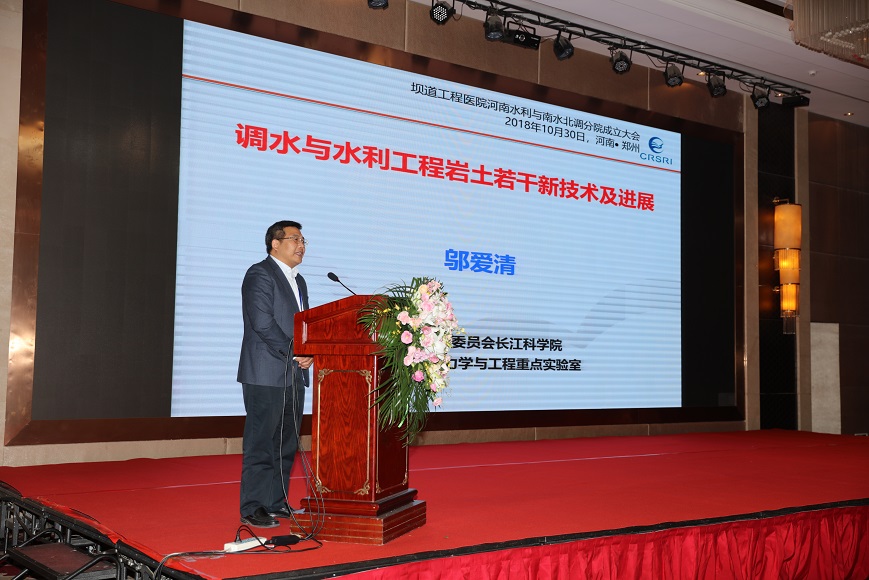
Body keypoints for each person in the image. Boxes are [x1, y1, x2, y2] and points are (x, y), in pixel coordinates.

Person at [237, 220, 314, 528]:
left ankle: (275, 501)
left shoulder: (300, 281)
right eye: (295, 239)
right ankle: (253, 505)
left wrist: (310, 351)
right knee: (261, 440)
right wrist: (296, 351)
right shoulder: (259, 274)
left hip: (293, 372)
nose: (301, 245)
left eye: (304, 240)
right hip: (265, 372)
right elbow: (262, 323)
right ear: (275, 244)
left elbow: (303, 325)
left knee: (286, 442)